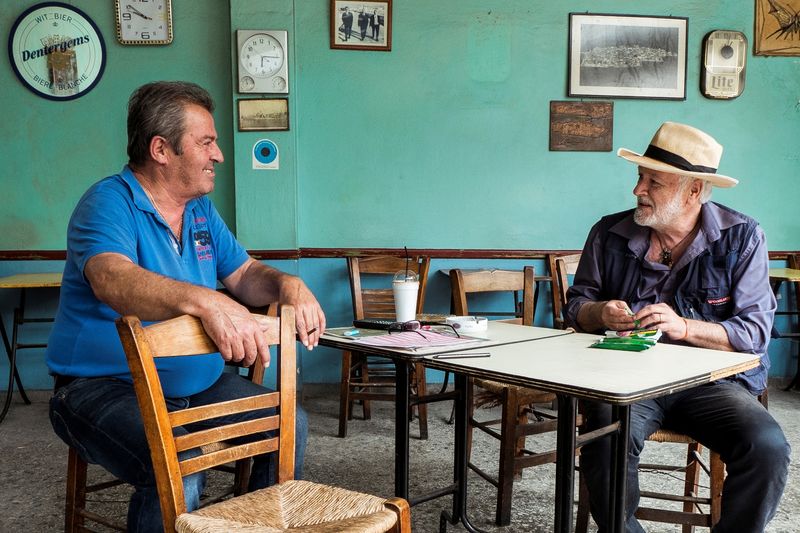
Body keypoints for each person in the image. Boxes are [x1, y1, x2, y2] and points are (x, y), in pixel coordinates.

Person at [46, 81, 326, 532]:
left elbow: (245, 275)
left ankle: (250, 526)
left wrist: (287, 283)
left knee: (289, 426)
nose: (217, 154)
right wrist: (206, 301)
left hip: (197, 384)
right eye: (207, 142)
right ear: (161, 148)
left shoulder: (200, 211)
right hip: (97, 388)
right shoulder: (107, 202)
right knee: (182, 455)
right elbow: (110, 279)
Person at [564, 122, 790, 533]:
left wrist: (685, 327)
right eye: (639, 177)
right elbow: (576, 305)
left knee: (768, 448)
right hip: (626, 380)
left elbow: (754, 333)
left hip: (711, 384)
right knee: (605, 434)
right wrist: (600, 313)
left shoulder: (742, 237)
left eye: (654, 182)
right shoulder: (608, 233)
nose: (638, 190)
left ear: (693, 192)